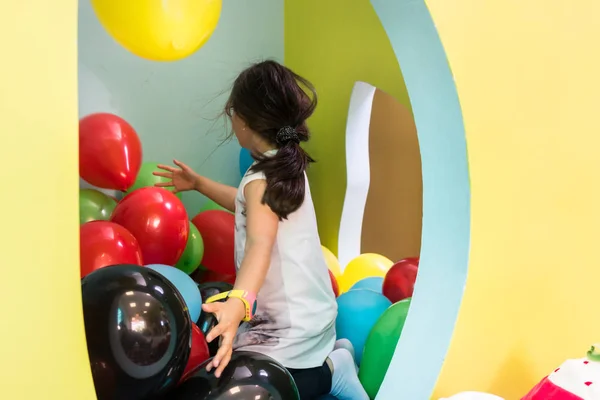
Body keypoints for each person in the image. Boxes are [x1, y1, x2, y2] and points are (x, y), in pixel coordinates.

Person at [154, 60, 368, 400]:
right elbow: (246, 206)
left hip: (291, 325)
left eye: (232, 112)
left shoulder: (264, 177)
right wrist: (198, 184)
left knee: (266, 388)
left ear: (245, 120)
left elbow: (259, 244)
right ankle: (329, 359)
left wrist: (239, 302)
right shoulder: (284, 163)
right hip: (312, 312)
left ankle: (333, 372)